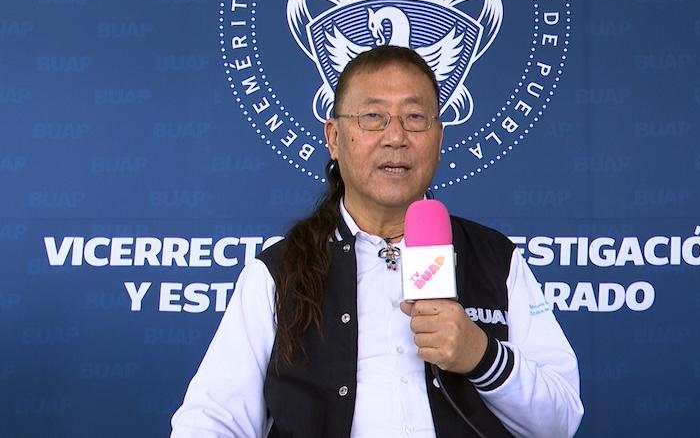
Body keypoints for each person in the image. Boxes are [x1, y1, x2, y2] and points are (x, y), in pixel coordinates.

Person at [171, 45, 583, 437]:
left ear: (439, 139)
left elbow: (561, 421)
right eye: (373, 117)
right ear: (334, 137)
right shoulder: (278, 272)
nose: (396, 137)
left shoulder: (495, 258)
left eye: (415, 117)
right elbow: (211, 419)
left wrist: (482, 355)